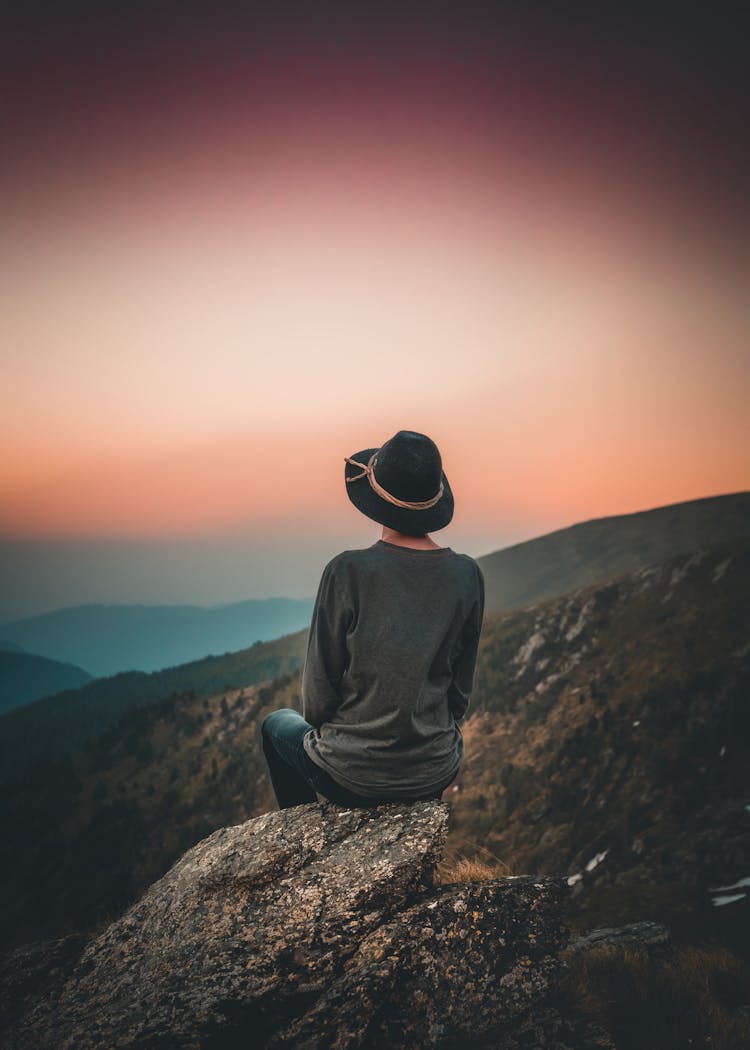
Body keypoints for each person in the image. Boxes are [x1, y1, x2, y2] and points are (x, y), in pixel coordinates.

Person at [261, 429, 484, 809]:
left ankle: (300, 836)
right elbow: (459, 695)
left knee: (275, 724)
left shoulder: (347, 571)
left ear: (376, 499)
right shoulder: (467, 575)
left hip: (350, 775)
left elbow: (316, 700)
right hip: (433, 772)